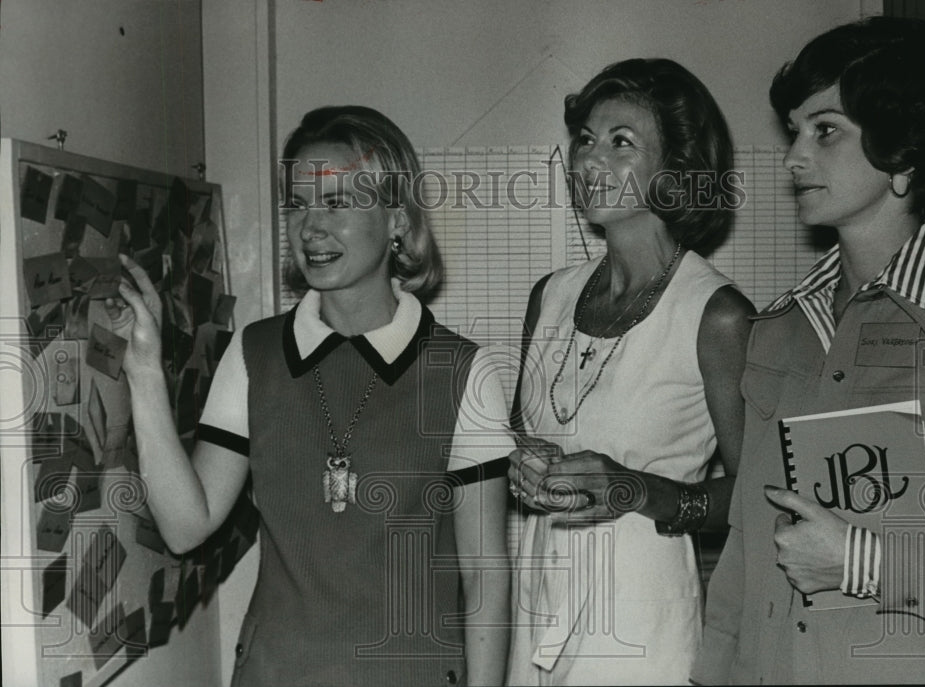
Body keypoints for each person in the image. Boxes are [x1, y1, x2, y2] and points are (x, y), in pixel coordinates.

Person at [107, 106, 511, 686]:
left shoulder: (462, 372)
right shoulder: (255, 354)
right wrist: (145, 372)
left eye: (338, 203)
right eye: (297, 204)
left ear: (398, 218)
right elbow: (185, 525)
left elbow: (484, 571)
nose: (310, 226)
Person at [693, 17, 925, 685]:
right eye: (795, 132)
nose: (794, 157)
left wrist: (865, 563)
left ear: (906, 155)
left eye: (825, 130)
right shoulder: (774, 329)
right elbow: (748, 543)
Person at [505, 59, 755, 685]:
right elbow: (514, 436)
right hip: (534, 594)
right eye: (585, 138)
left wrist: (640, 489)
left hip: (641, 613)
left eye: (622, 142)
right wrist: (517, 461)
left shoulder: (717, 314)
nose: (589, 160)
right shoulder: (551, 296)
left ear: (676, 168)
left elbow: (759, 495)